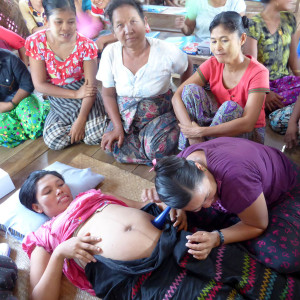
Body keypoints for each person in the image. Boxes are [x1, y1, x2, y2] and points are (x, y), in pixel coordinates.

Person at [142, 137, 300, 274]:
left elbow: (258, 225)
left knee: (286, 258)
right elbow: (183, 192)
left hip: (285, 193)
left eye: (208, 196)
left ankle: (236, 223)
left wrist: (217, 238)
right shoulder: (181, 166)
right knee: (178, 218)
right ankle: (233, 217)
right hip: (244, 191)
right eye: (199, 205)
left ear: (200, 167)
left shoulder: (236, 178)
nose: (209, 204)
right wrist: (178, 207)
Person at [20, 170, 187, 299]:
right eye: (48, 191)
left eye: (60, 184)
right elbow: (39, 297)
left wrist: (169, 205)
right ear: (37, 207)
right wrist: (59, 253)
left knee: (207, 257)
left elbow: (142, 205)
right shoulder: (43, 235)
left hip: (170, 237)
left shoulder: (92, 195)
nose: (59, 191)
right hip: (135, 275)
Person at [97, 0, 192, 164]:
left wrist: (180, 97)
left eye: (133, 21)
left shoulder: (165, 50)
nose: (128, 30)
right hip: (126, 115)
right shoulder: (110, 53)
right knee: (110, 145)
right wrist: (118, 127)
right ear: (113, 30)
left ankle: (155, 146)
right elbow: (108, 94)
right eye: (120, 25)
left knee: (156, 148)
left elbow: (187, 64)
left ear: (145, 22)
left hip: (159, 113)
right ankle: (149, 152)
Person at [172, 11, 269, 150]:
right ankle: (196, 149)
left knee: (230, 108)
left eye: (224, 40)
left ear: (242, 39)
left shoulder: (259, 72)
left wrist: (201, 132)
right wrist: (191, 132)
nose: (217, 48)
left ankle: (203, 152)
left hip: (248, 135)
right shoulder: (213, 64)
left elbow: (248, 123)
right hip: (217, 127)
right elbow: (177, 97)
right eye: (213, 41)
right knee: (189, 91)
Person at [25, 0, 107, 150]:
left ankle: (80, 127)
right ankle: (80, 130)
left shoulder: (86, 45)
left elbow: (91, 86)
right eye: (58, 22)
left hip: (86, 95)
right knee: (53, 140)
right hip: (58, 95)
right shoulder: (37, 42)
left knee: (97, 133)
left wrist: (81, 120)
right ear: (46, 21)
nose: (66, 28)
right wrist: (75, 94)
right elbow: (40, 85)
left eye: (71, 22)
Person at [244, 0, 300, 119]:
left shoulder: (290, 19)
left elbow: (293, 58)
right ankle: (279, 112)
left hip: (284, 83)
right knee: (255, 99)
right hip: (263, 85)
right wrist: (266, 93)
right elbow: (251, 65)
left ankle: (283, 112)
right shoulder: (255, 24)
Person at [0, 49, 50, 148]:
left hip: (20, 100)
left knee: (33, 124)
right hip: (1, 110)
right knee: (3, 130)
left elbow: (27, 84)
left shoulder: (10, 58)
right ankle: (25, 129)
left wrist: (12, 103)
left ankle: (31, 125)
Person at [175, 0, 246, 42]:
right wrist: (183, 26)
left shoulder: (236, 2)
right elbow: (188, 31)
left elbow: (239, 32)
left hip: (226, 49)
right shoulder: (196, 2)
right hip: (200, 48)